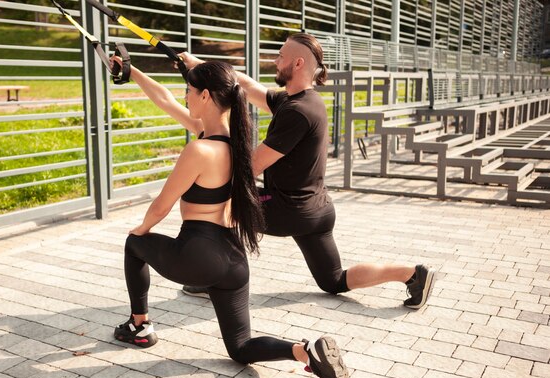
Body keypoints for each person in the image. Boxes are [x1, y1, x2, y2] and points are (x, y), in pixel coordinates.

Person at [111, 58, 348, 378]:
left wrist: (141, 228)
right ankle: (304, 350)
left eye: (190, 91)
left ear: (205, 96)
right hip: (234, 262)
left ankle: (139, 325)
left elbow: (161, 205)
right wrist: (132, 71)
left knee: (134, 245)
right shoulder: (238, 144)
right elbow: (165, 99)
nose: (186, 96)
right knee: (240, 347)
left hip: (198, 255)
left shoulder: (199, 149)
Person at [179, 33, 436, 309]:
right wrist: (200, 65)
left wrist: (207, 165)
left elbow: (252, 165)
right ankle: (412, 274)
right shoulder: (302, 100)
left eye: (280, 56)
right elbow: (249, 86)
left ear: (298, 63)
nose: (275, 61)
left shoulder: (297, 112)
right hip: (317, 209)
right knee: (333, 280)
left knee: (224, 206)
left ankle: (211, 278)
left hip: (289, 209)